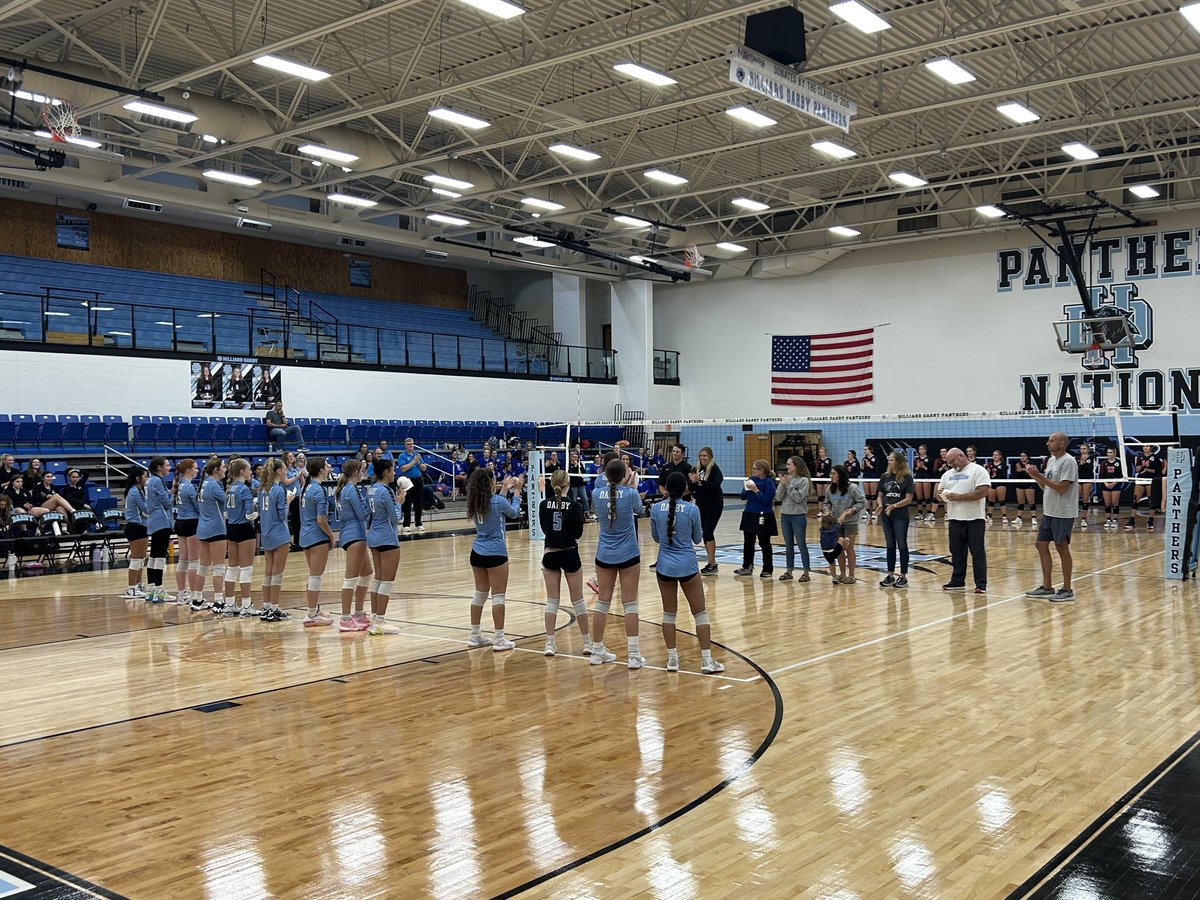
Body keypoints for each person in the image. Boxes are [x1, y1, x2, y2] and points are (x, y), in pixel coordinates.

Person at [651, 472, 725, 674]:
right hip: (687, 566)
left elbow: (657, 538)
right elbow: (697, 539)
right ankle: (707, 661)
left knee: (669, 613)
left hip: (664, 566)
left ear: (666, 488)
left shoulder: (656, 508)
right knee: (700, 614)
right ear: (685, 488)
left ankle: (672, 659)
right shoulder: (692, 509)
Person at [589, 456, 645, 668]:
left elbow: (600, 509)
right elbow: (640, 511)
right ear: (624, 475)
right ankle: (633, 655)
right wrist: (630, 488)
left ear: (605, 475)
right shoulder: (630, 494)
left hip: (604, 554)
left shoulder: (596, 492)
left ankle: (596, 651)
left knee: (602, 602)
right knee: (630, 604)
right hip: (629, 554)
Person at [465, 467, 524, 651]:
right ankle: (499, 638)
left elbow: (495, 505)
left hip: (477, 552)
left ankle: (475, 635)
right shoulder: (497, 501)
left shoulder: (475, 502)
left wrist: (505, 489)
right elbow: (514, 512)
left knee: (480, 594)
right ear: (490, 482)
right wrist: (517, 490)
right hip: (496, 552)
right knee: (498, 596)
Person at [538, 468, 589, 657]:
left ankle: (550, 643)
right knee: (578, 600)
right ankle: (587, 643)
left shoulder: (544, 505)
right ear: (568, 484)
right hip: (570, 553)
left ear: (552, 485)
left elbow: (545, 530)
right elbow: (578, 534)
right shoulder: (575, 506)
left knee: (552, 601)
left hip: (550, 554)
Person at [1024, 432, 1079, 603]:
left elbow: (1062, 488)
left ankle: (1067, 589)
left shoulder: (1068, 461)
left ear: (1062, 444)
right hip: (1049, 511)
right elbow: (1046, 487)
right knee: (1040, 545)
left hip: (1063, 512)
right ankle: (1047, 587)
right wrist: (1036, 477)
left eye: (1052, 441)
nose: (1048, 443)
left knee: (1062, 547)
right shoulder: (1051, 460)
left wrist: (1039, 476)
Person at [937, 447, 991, 594]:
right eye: (948, 462)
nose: (950, 464)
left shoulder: (978, 470)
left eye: (952, 461)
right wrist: (940, 494)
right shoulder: (947, 475)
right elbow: (938, 495)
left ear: (961, 456)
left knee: (977, 552)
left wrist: (959, 497)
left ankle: (981, 584)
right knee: (956, 552)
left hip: (974, 518)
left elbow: (982, 492)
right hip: (954, 518)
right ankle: (957, 581)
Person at [366, 459, 406, 635]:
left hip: (374, 537)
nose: (394, 473)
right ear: (385, 473)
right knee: (387, 581)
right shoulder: (386, 491)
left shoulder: (371, 489)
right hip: (387, 539)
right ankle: (380, 621)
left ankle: (375, 617)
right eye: (392, 470)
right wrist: (399, 502)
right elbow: (396, 518)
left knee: (378, 579)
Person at [334, 460, 373, 632]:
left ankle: (358, 613)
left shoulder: (347, 489)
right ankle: (344, 619)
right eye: (362, 470)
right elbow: (362, 514)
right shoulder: (351, 490)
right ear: (356, 471)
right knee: (350, 578)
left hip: (355, 534)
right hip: (353, 535)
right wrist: (373, 506)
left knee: (367, 573)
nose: (364, 472)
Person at [299, 456, 336, 627]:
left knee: (313, 576)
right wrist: (331, 536)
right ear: (321, 470)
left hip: (306, 535)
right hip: (316, 536)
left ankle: (314, 609)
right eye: (327, 466)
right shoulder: (318, 490)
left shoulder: (306, 488)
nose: (329, 468)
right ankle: (311, 614)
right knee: (316, 577)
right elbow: (321, 520)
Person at [219, 459, 258, 616]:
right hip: (244, 530)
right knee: (246, 569)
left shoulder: (229, 488)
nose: (251, 472)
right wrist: (259, 513)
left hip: (232, 529)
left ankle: (229, 604)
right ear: (242, 471)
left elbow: (226, 513)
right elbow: (249, 515)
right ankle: (247, 605)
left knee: (232, 568)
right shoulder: (244, 489)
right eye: (249, 470)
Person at [257, 458, 292, 622]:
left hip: (266, 533)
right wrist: (289, 502)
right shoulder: (279, 490)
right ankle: (274, 608)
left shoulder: (262, 489)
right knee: (277, 573)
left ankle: (266, 607)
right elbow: (282, 515)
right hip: (279, 533)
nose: (286, 472)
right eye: (284, 469)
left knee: (268, 571)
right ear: (278, 471)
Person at [194, 458, 229, 614]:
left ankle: (197, 598)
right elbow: (228, 502)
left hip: (202, 528)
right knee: (218, 567)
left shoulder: (204, 483)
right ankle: (219, 601)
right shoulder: (214, 485)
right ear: (216, 470)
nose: (225, 469)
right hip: (216, 529)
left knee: (203, 565)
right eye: (223, 467)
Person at [878, 450, 915, 589]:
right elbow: (880, 495)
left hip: (900, 516)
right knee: (889, 546)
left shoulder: (907, 477)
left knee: (902, 545)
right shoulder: (884, 477)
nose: (889, 462)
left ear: (898, 462)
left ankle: (903, 575)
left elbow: (908, 499)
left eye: (892, 460)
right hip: (886, 515)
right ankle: (890, 575)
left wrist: (894, 505)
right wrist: (881, 505)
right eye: (889, 460)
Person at [735, 459, 777, 578]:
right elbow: (742, 497)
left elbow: (767, 500)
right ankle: (747, 566)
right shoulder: (751, 479)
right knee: (748, 542)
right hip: (750, 513)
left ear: (762, 471)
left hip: (763, 514)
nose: (752, 470)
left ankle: (767, 568)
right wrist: (746, 487)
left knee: (764, 543)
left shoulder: (769, 482)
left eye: (755, 469)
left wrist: (756, 490)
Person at [825, 464, 865, 583]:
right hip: (837, 523)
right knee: (839, 549)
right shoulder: (829, 489)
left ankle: (851, 575)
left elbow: (862, 502)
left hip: (850, 522)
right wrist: (827, 510)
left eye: (834, 473)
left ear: (840, 475)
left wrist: (853, 510)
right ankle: (842, 574)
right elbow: (826, 503)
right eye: (831, 474)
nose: (831, 476)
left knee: (849, 548)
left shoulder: (852, 488)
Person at [690, 447, 725, 576]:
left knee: (709, 531)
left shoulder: (715, 470)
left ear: (710, 457)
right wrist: (692, 482)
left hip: (714, 504)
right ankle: (712, 562)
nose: (702, 458)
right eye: (701, 455)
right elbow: (693, 488)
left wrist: (701, 481)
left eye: (705, 455)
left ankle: (712, 563)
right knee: (705, 532)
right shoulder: (696, 469)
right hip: (701, 504)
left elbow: (714, 488)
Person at [777, 455, 811, 582]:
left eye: (789, 464)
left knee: (801, 545)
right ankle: (789, 571)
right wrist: (782, 484)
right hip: (785, 515)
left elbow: (798, 498)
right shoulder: (786, 479)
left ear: (796, 466)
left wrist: (788, 485)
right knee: (788, 545)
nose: (787, 466)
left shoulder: (804, 481)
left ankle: (806, 572)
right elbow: (778, 497)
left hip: (798, 516)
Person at [143, 457, 172, 603]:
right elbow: (166, 503)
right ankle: (159, 591)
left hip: (154, 520)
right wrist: (173, 494)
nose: (169, 467)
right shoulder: (158, 481)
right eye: (167, 465)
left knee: (154, 555)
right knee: (159, 555)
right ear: (159, 467)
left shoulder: (149, 480)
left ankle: (151, 590)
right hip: (161, 520)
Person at [173, 459, 201, 606]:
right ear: (188, 470)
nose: (197, 471)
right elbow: (197, 507)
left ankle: (182, 593)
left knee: (183, 560)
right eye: (195, 468)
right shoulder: (189, 487)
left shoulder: (180, 485)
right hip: (191, 523)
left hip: (180, 522)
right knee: (194, 561)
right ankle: (195, 594)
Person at [122, 467, 150, 599]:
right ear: (138, 478)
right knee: (136, 559)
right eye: (145, 476)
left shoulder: (137, 490)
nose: (147, 479)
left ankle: (138, 585)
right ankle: (131, 587)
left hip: (140, 526)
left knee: (140, 559)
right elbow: (146, 509)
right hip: (136, 526)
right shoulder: (135, 492)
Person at [396, 437, 427, 535]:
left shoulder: (417, 455)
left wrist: (418, 462)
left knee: (419, 503)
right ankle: (406, 525)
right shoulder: (402, 456)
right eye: (409, 444)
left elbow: (424, 468)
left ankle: (418, 523)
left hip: (418, 480)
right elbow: (403, 469)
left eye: (412, 444)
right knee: (407, 503)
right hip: (407, 481)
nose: (411, 446)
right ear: (405, 445)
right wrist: (413, 462)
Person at [1130, 444, 1164, 532]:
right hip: (1141, 479)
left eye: (1147, 446)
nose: (1145, 448)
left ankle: (1151, 520)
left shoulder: (1155, 457)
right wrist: (1139, 469)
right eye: (1144, 446)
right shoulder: (1139, 457)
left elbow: (1158, 471)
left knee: (1151, 500)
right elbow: (1137, 469)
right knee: (1135, 499)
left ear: (1151, 448)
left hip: (1150, 480)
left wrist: (1147, 470)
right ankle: (1132, 520)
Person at [1098, 446, 1124, 529]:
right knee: (1107, 503)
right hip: (1105, 484)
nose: (1108, 454)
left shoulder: (1119, 462)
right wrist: (1105, 483)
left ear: (1115, 453)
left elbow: (1121, 475)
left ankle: (1115, 519)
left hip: (1116, 484)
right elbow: (1101, 475)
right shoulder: (1103, 463)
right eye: (1108, 452)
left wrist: (1114, 483)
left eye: (1110, 452)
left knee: (1115, 503)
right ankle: (1108, 519)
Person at [1012, 451, 1038, 528]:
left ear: (1027, 457)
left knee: (1031, 501)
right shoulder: (1018, 464)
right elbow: (1018, 471)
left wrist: (1025, 470)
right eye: (1021, 456)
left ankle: (1033, 518)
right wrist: (1024, 469)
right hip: (1020, 484)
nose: (1022, 457)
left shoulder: (1032, 464)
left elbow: (1034, 472)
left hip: (1029, 484)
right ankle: (1019, 517)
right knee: (1020, 502)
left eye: (1024, 456)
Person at [985, 451, 1010, 526]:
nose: (995, 456)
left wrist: (996, 474)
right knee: (991, 501)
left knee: (1001, 500)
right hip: (992, 483)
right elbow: (987, 474)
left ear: (1000, 456)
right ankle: (989, 516)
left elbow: (1003, 475)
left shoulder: (1003, 465)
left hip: (1000, 483)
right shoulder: (989, 465)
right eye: (993, 455)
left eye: (996, 455)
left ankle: (1004, 516)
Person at [1076, 443, 1095, 529]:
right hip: (1078, 479)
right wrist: (1081, 463)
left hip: (1087, 479)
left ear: (1088, 450)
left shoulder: (1091, 458)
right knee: (1075, 499)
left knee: (1085, 499)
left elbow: (1089, 469)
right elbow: (1076, 469)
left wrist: (1083, 463)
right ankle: (1072, 519)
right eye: (1081, 449)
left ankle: (1084, 519)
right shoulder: (1077, 458)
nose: (1082, 450)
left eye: (1084, 448)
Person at [912, 444, 932, 520]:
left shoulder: (929, 459)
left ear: (925, 450)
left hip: (926, 478)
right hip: (918, 478)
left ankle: (928, 513)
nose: (921, 451)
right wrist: (918, 466)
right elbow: (914, 470)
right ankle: (920, 513)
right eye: (919, 449)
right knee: (919, 497)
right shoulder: (916, 459)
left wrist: (923, 466)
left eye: (922, 449)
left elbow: (931, 471)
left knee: (927, 497)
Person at [566, 450, 589, 514]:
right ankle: (574, 512)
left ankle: (586, 512)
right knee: (574, 499)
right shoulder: (568, 464)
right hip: (573, 485)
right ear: (571, 457)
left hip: (581, 484)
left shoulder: (580, 463)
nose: (575, 458)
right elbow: (570, 473)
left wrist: (579, 466)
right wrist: (575, 466)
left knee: (585, 498)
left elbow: (583, 472)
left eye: (576, 457)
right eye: (574, 457)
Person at [861, 445, 879, 520]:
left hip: (873, 477)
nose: (865, 451)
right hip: (865, 476)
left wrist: (869, 465)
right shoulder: (864, 458)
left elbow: (877, 469)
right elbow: (862, 470)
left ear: (870, 450)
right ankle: (867, 512)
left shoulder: (875, 458)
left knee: (873, 496)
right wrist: (862, 466)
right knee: (867, 496)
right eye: (864, 449)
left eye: (866, 449)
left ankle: (874, 512)